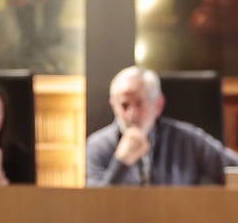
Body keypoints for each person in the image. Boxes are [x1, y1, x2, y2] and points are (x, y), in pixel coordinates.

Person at [86, 66, 229, 186]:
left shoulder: (188, 140)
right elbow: (96, 207)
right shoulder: (97, 146)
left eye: (140, 103)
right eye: (124, 105)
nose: (132, 115)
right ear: (113, 105)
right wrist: (121, 163)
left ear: (158, 105)